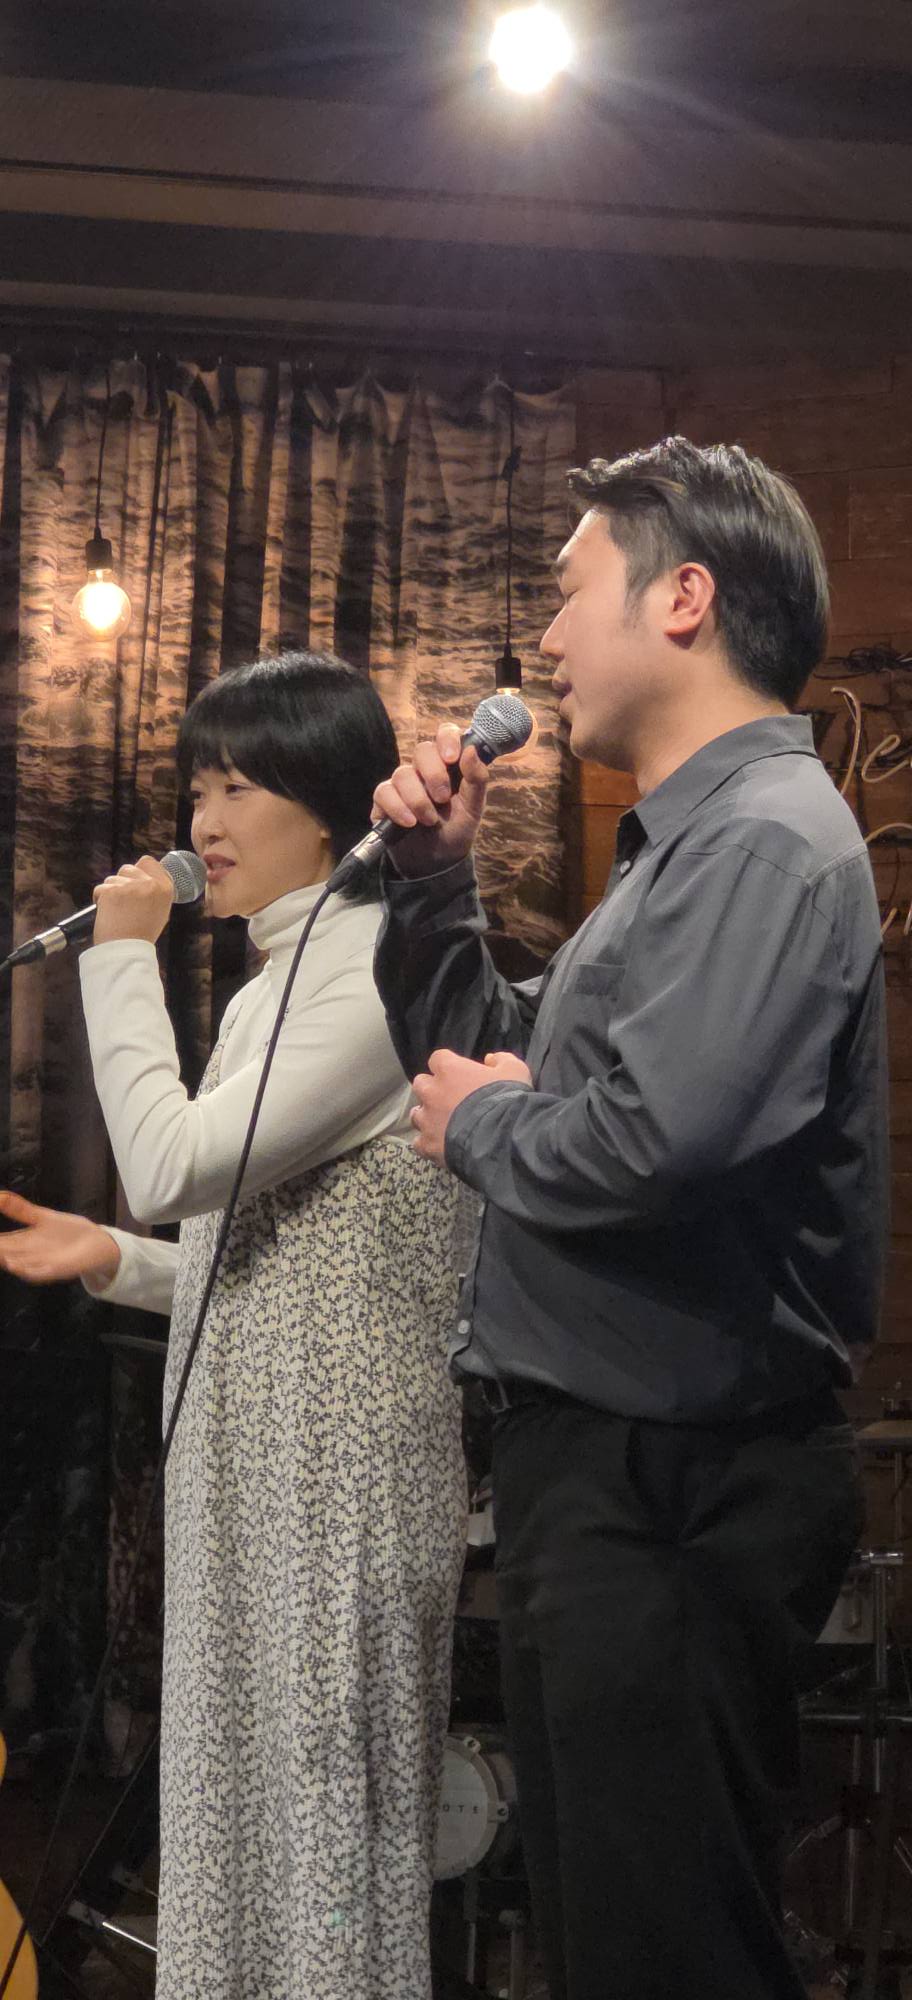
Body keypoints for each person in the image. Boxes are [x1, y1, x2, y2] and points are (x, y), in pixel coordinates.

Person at [368, 438, 886, 2000]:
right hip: (616, 1469)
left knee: (666, 1953)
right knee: (617, 1941)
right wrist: (432, 888)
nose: (546, 642)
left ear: (684, 599)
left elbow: (659, 1139)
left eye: (570, 592)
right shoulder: (689, 850)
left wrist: (492, 1126)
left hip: (677, 1481)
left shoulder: (767, 840)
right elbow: (492, 1063)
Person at [0, 651, 468, 2000]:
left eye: (238, 788)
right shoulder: (278, 979)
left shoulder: (375, 969)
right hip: (253, 1468)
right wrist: (123, 1261)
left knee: (321, 1854)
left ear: (330, 804)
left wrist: (119, 962)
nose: (203, 823)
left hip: (340, 1480)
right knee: (237, 1846)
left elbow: (171, 1163)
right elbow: (284, 1252)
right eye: (197, 788)